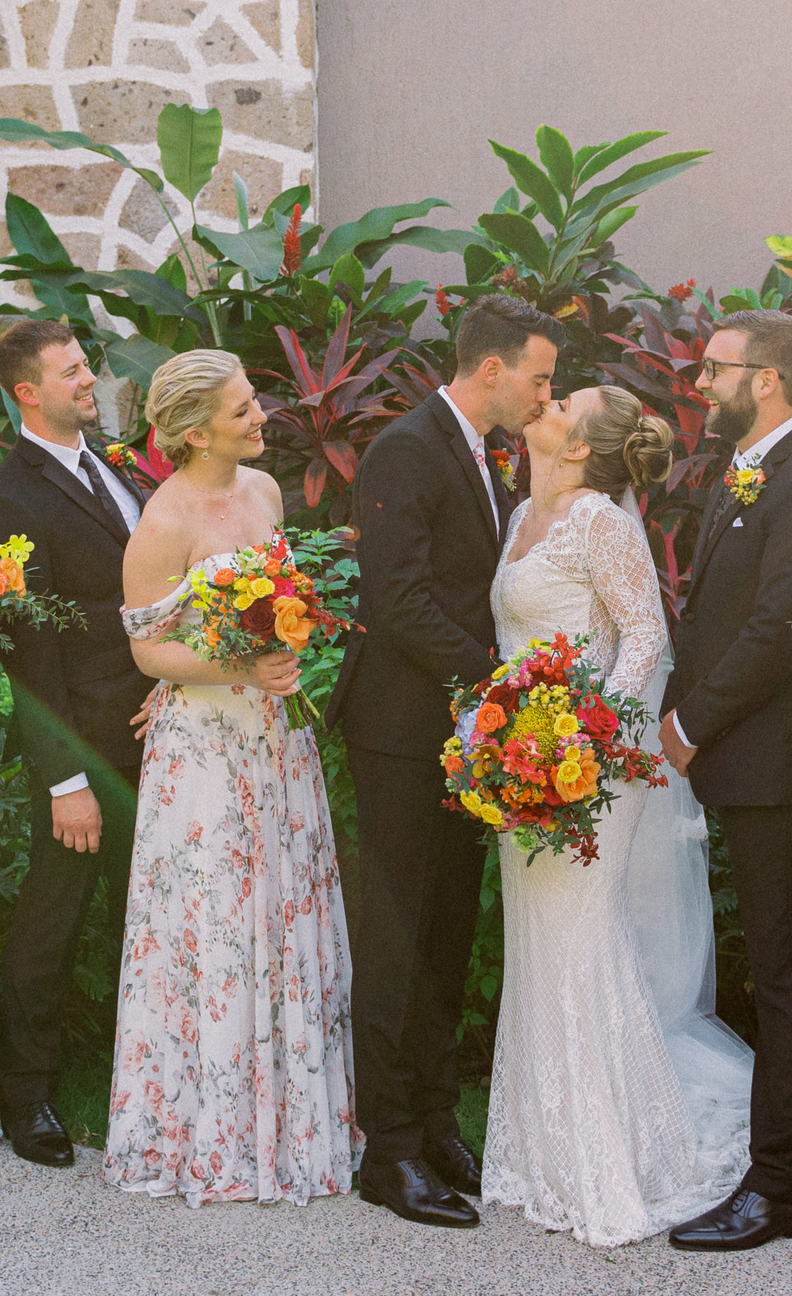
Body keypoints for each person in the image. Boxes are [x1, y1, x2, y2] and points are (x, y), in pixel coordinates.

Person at [479, 384, 753, 1246]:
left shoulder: (600, 518)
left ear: (580, 443)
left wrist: (588, 737)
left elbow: (645, 637)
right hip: (523, 759)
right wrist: (513, 738)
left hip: (591, 766)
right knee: (539, 943)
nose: (545, 399)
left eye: (563, 400)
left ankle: (614, 1155)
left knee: (583, 937)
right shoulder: (525, 508)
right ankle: (542, 1150)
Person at [331, 293, 562, 1228]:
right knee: (395, 939)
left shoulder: (480, 454)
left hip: (462, 736)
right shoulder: (406, 449)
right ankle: (385, 1150)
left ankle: (432, 1119)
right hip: (398, 731)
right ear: (493, 367)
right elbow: (398, 599)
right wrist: (500, 681)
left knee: (446, 935)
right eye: (540, 377)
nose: (548, 395)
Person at [106, 349, 356, 1204]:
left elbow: (278, 604)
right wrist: (242, 669)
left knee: (281, 911)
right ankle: (203, 1131)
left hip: (274, 738)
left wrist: (281, 649)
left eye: (256, 402)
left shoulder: (265, 493)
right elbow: (147, 648)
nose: (262, 418)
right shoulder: (164, 520)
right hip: (205, 747)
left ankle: (287, 1119)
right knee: (213, 921)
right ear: (191, 430)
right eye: (245, 408)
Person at [658, 308, 792, 1252]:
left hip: (785, 765)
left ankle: (780, 1188)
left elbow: (781, 627)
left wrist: (692, 722)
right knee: (789, 960)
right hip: (752, 763)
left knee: (788, 967)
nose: (701, 385)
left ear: (770, 379)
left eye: (715, 370)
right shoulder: (747, 472)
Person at [0, 320, 151, 1169]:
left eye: (88, 365)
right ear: (26, 390)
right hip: (83, 752)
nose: (90, 378)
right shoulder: (10, 498)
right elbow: (23, 650)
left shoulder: (109, 468)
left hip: (152, 731)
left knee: (141, 917)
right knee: (52, 922)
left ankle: (141, 1078)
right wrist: (64, 776)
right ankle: (28, 1095)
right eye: (72, 370)